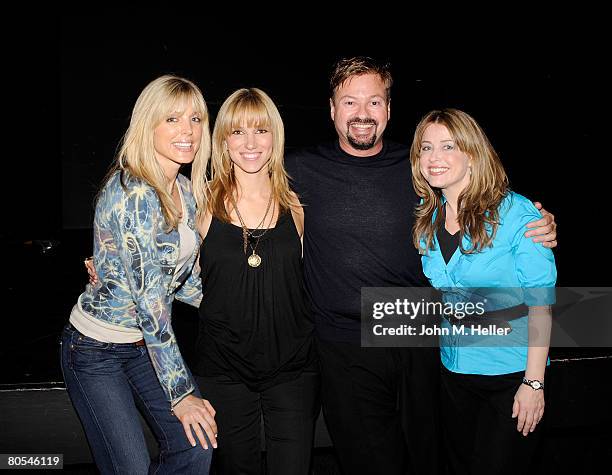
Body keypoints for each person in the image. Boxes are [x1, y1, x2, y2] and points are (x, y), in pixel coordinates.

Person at [284, 57, 558, 475]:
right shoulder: (300, 168)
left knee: (432, 458)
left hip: (419, 335)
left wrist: (540, 221)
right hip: (346, 342)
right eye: (350, 102)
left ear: (389, 109)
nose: (362, 113)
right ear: (332, 108)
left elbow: (532, 285)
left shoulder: (415, 171)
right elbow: (243, 190)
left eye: (374, 102)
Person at [62, 74, 216, 474]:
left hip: (143, 347)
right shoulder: (133, 193)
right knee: (129, 467)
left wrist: (238, 309)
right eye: (172, 119)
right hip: (97, 350)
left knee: (196, 447)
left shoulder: (185, 189)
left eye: (195, 119)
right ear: (148, 124)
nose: (187, 131)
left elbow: (183, 282)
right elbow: (152, 302)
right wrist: (181, 392)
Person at [411, 108, 556, 475]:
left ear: (472, 155)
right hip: (454, 374)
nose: (434, 157)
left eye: (447, 146)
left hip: (510, 379)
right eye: (426, 148)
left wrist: (533, 383)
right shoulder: (429, 218)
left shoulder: (518, 214)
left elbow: (542, 306)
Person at [193, 88, 319, 475]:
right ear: (223, 141)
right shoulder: (200, 206)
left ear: (274, 137)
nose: (250, 143)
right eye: (238, 132)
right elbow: (170, 275)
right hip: (224, 371)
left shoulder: (296, 205)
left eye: (260, 130)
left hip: (293, 369)